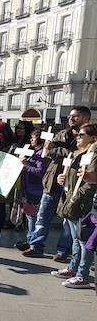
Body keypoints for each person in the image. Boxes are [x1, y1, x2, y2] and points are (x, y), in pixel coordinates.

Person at [22, 106, 91, 259]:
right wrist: (54, 150)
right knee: (42, 215)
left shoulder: (88, 137)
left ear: (85, 118)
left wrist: (56, 150)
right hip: (52, 180)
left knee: (67, 221)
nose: (71, 119)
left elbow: (78, 157)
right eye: (70, 116)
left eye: (75, 116)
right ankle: (36, 245)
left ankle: (62, 251)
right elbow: (48, 152)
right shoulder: (61, 134)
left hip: (72, 184)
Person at [50, 123, 97, 289]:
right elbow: (74, 176)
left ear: (93, 138)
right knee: (76, 238)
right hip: (71, 197)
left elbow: (90, 183)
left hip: (82, 203)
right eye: (78, 135)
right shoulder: (78, 153)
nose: (78, 137)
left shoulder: (93, 155)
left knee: (84, 240)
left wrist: (75, 198)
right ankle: (73, 268)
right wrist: (61, 180)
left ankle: (82, 275)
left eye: (82, 135)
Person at [13, 129, 49, 251]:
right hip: (29, 188)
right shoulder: (35, 152)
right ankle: (30, 240)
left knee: (33, 217)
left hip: (35, 188)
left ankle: (32, 242)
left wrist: (26, 165)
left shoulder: (41, 155)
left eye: (33, 138)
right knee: (29, 215)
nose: (31, 140)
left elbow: (40, 172)